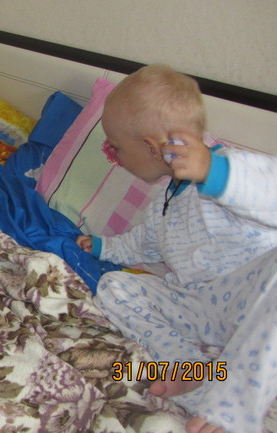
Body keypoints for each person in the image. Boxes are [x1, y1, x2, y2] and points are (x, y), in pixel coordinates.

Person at [76, 64, 277, 433]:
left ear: (151, 147)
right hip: (198, 307)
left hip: (253, 308)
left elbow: (269, 192)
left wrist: (214, 171)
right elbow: (146, 242)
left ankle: (232, 410)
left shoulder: (229, 173)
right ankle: (192, 369)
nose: (115, 157)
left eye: (116, 148)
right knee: (115, 286)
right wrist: (106, 247)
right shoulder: (165, 203)